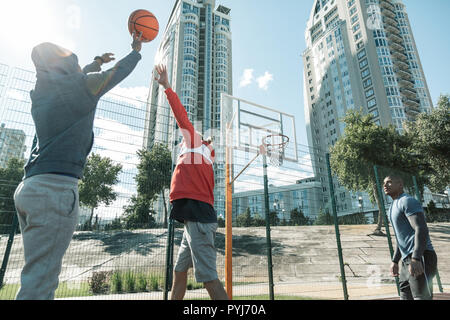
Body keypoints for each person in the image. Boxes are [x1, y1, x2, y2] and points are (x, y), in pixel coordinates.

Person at [13, 34, 144, 300]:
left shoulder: (41, 93)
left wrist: (95, 62)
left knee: (37, 275)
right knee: (39, 285)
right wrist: (136, 51)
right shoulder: (82, 88)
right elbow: (118, 72)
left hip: (29, 189)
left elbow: (72, 80)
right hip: (55, 191)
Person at [154, 64, 228, 300]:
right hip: (193, 220)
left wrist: (167, 87)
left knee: (209, 280)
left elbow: (181, 116)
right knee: (179, 272)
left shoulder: (195, 143)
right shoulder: (206, 159)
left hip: (197, 219)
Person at [383, 175, 438, 300]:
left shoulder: (407, 201)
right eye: (384, 183)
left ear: (400, 184)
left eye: (389, 182)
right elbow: (400, 237)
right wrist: (395, 261)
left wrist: (416, 258)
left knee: (421, 297)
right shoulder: (391, 208)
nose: (385, 185)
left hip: (421, 256)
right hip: (406, 260)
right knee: (405, 296)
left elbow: (421, 229)